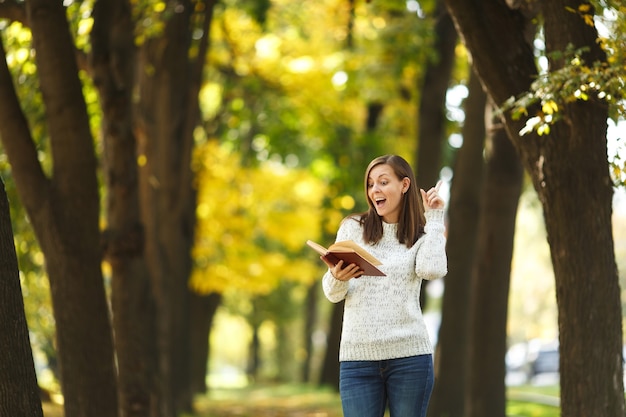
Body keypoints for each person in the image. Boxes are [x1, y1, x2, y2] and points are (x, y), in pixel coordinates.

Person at [321, 154, 447, 417]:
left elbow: (432, 270)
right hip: (358, 361)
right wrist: (338, 277)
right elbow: (332, 294)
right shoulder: (352, 228)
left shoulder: (423, 234)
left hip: (410, 358)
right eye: (370, 184)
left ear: (404, 185)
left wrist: (434, 219)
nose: (374, 190)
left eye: (382, 182)